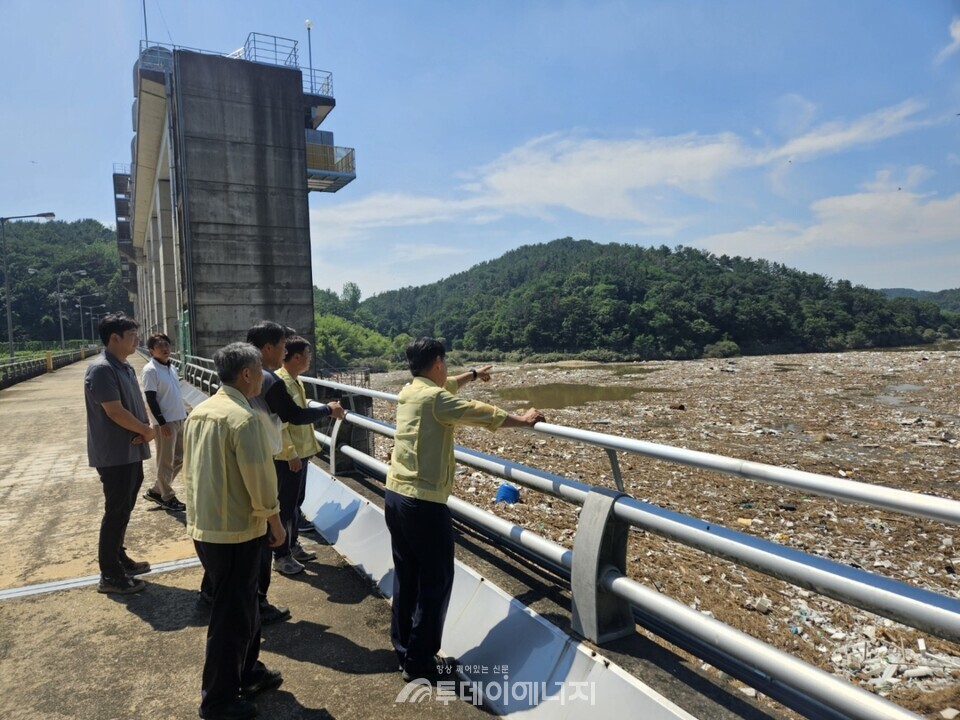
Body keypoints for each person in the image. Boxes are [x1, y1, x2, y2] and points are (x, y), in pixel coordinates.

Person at [386, 338, 545, 683]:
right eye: (445, 363)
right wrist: (523, 419)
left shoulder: (410, 391)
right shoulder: (436, 399)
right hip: (423, 503)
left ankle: (404, 650)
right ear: (439, 363)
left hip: (395, 495)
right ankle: (421, 662)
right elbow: (479, 412)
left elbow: (449, 386)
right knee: (436, 580)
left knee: (407, 576)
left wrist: (473, 373)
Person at [183, 342, 286, 720]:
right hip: (237, 531)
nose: (263, 377)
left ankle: (249, 672)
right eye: (260, 371)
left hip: (207, 525)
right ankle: (218, 701)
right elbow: (260, 479)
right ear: (246, 374)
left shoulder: (204, 411)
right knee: (231, 617)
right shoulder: (245, 419)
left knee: (243, 608)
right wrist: (274, 521)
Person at [84, 313, 156, 595]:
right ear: (115, 337)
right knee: (115, 512)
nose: (137, 339)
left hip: (131, 451)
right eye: (132, 335)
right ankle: (110, 574)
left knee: (124, 509)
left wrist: (147, 427)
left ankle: (118, 557)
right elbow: (114, 411)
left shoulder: (124, 367)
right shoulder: (101, 369)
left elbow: (135, 403)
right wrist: (146, 430)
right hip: (115, 454)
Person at [271, 336, 324, 575]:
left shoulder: (295, 380)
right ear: (296, 358)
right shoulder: (281, 383)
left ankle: (291, 545)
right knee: (286, 506)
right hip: (288, 458)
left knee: (295, 504)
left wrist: (306, 452)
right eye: (307, 355)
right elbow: (281, 424)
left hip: (299, 455)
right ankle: (281, 555)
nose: (309, 359)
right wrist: (291, 453)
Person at [141, 333, 188, 512]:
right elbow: (151, 399)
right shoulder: (150, 370)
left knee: (180, 458)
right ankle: (167, 496)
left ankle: (156, 491)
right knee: (165, 461)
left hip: (179, 418)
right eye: (159, 346)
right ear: (152, 351)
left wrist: (183, 415)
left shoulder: (171, 367)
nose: (165, 348)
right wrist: (161, 423)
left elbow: (174, 395)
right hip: (166, 423)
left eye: (166, 344)